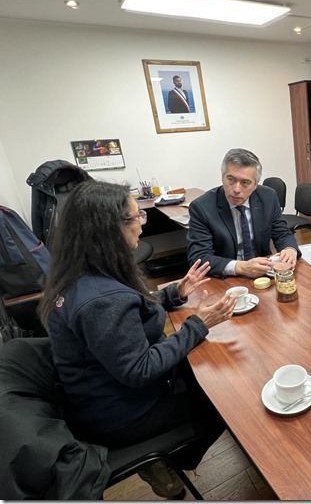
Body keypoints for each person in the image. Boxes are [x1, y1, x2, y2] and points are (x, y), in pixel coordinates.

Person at [39, 180, 236, 498]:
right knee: (226, 402)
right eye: (137, 218)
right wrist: (199, 324)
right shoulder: (100, 300)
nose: (142, 227)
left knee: (206, 370)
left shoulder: (83, 271)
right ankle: (169, 460)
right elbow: (139, 369)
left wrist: (174, 293)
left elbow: (132, 310)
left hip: (100, 394)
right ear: (110, 230)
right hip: (121, 415)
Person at [187, 148, 300, 279]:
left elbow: (282, 233)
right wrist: (240, 267)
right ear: (222, 177)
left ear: (255, 184)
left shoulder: (268, 197)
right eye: (231, 180)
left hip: (262, 273)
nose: (236, 189)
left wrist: (290, 249)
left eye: (245, 182)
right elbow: (199, 257)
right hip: (225, 277)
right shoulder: (201, 208)